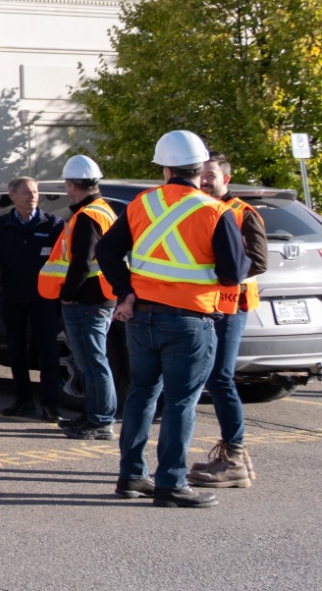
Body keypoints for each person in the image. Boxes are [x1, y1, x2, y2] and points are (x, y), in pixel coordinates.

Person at [97, 130, 244, 507]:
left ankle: (131, 477)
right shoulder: (215, 211)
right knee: (180, 402)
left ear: (165, 168)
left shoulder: (142, 203)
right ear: (200, 168)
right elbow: (232, 274)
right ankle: (171, 484)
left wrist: (125, 288)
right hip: (189, 321)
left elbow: (107, 250)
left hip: (142, 317)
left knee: (141, 395)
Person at [189, 153, 270, 489]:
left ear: (226, 178)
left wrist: (223, 277)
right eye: (202, 175)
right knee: (215, 377)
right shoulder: (202, 209)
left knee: (221, 378)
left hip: (231, 305)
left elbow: (259, 261)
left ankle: (234, 457)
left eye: (211, 175)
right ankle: (235, 457)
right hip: (208, 305)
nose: (205, 181)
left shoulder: (241, 212)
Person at [39, 154, 119, 441]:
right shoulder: (103, 210)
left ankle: (100, 420)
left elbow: (82, 263)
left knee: (93, 362)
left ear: (72, 185)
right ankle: (94, 416)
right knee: (91, 362)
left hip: (88, 301)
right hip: (98, 298)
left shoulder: (87, 216)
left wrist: (69, 295)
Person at [0, 176, 67, 420]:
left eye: (35, 192)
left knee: (48, 351)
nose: (33, 196)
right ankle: (23, 400)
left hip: (44, 298)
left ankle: (50, 405)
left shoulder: (52, 224)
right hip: (12, 297)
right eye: (27, 192)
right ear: (13, 195)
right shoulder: (2, 225)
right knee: (16, 351)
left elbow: (64, 259)